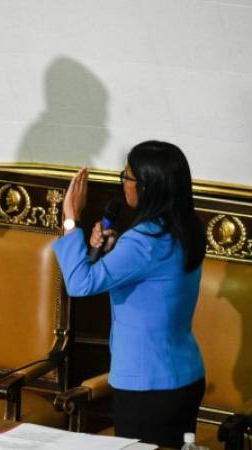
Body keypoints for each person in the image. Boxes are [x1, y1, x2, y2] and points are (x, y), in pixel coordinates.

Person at [52, 140, 206, 448]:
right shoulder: (185, 229)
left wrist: (70, 218)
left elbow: (80, 284)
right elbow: (150, 278)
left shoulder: (143, 242)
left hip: (148, 386)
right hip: (184, 375)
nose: (123, 183)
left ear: (147, 186)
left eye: (127, 176)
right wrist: (112, 249)